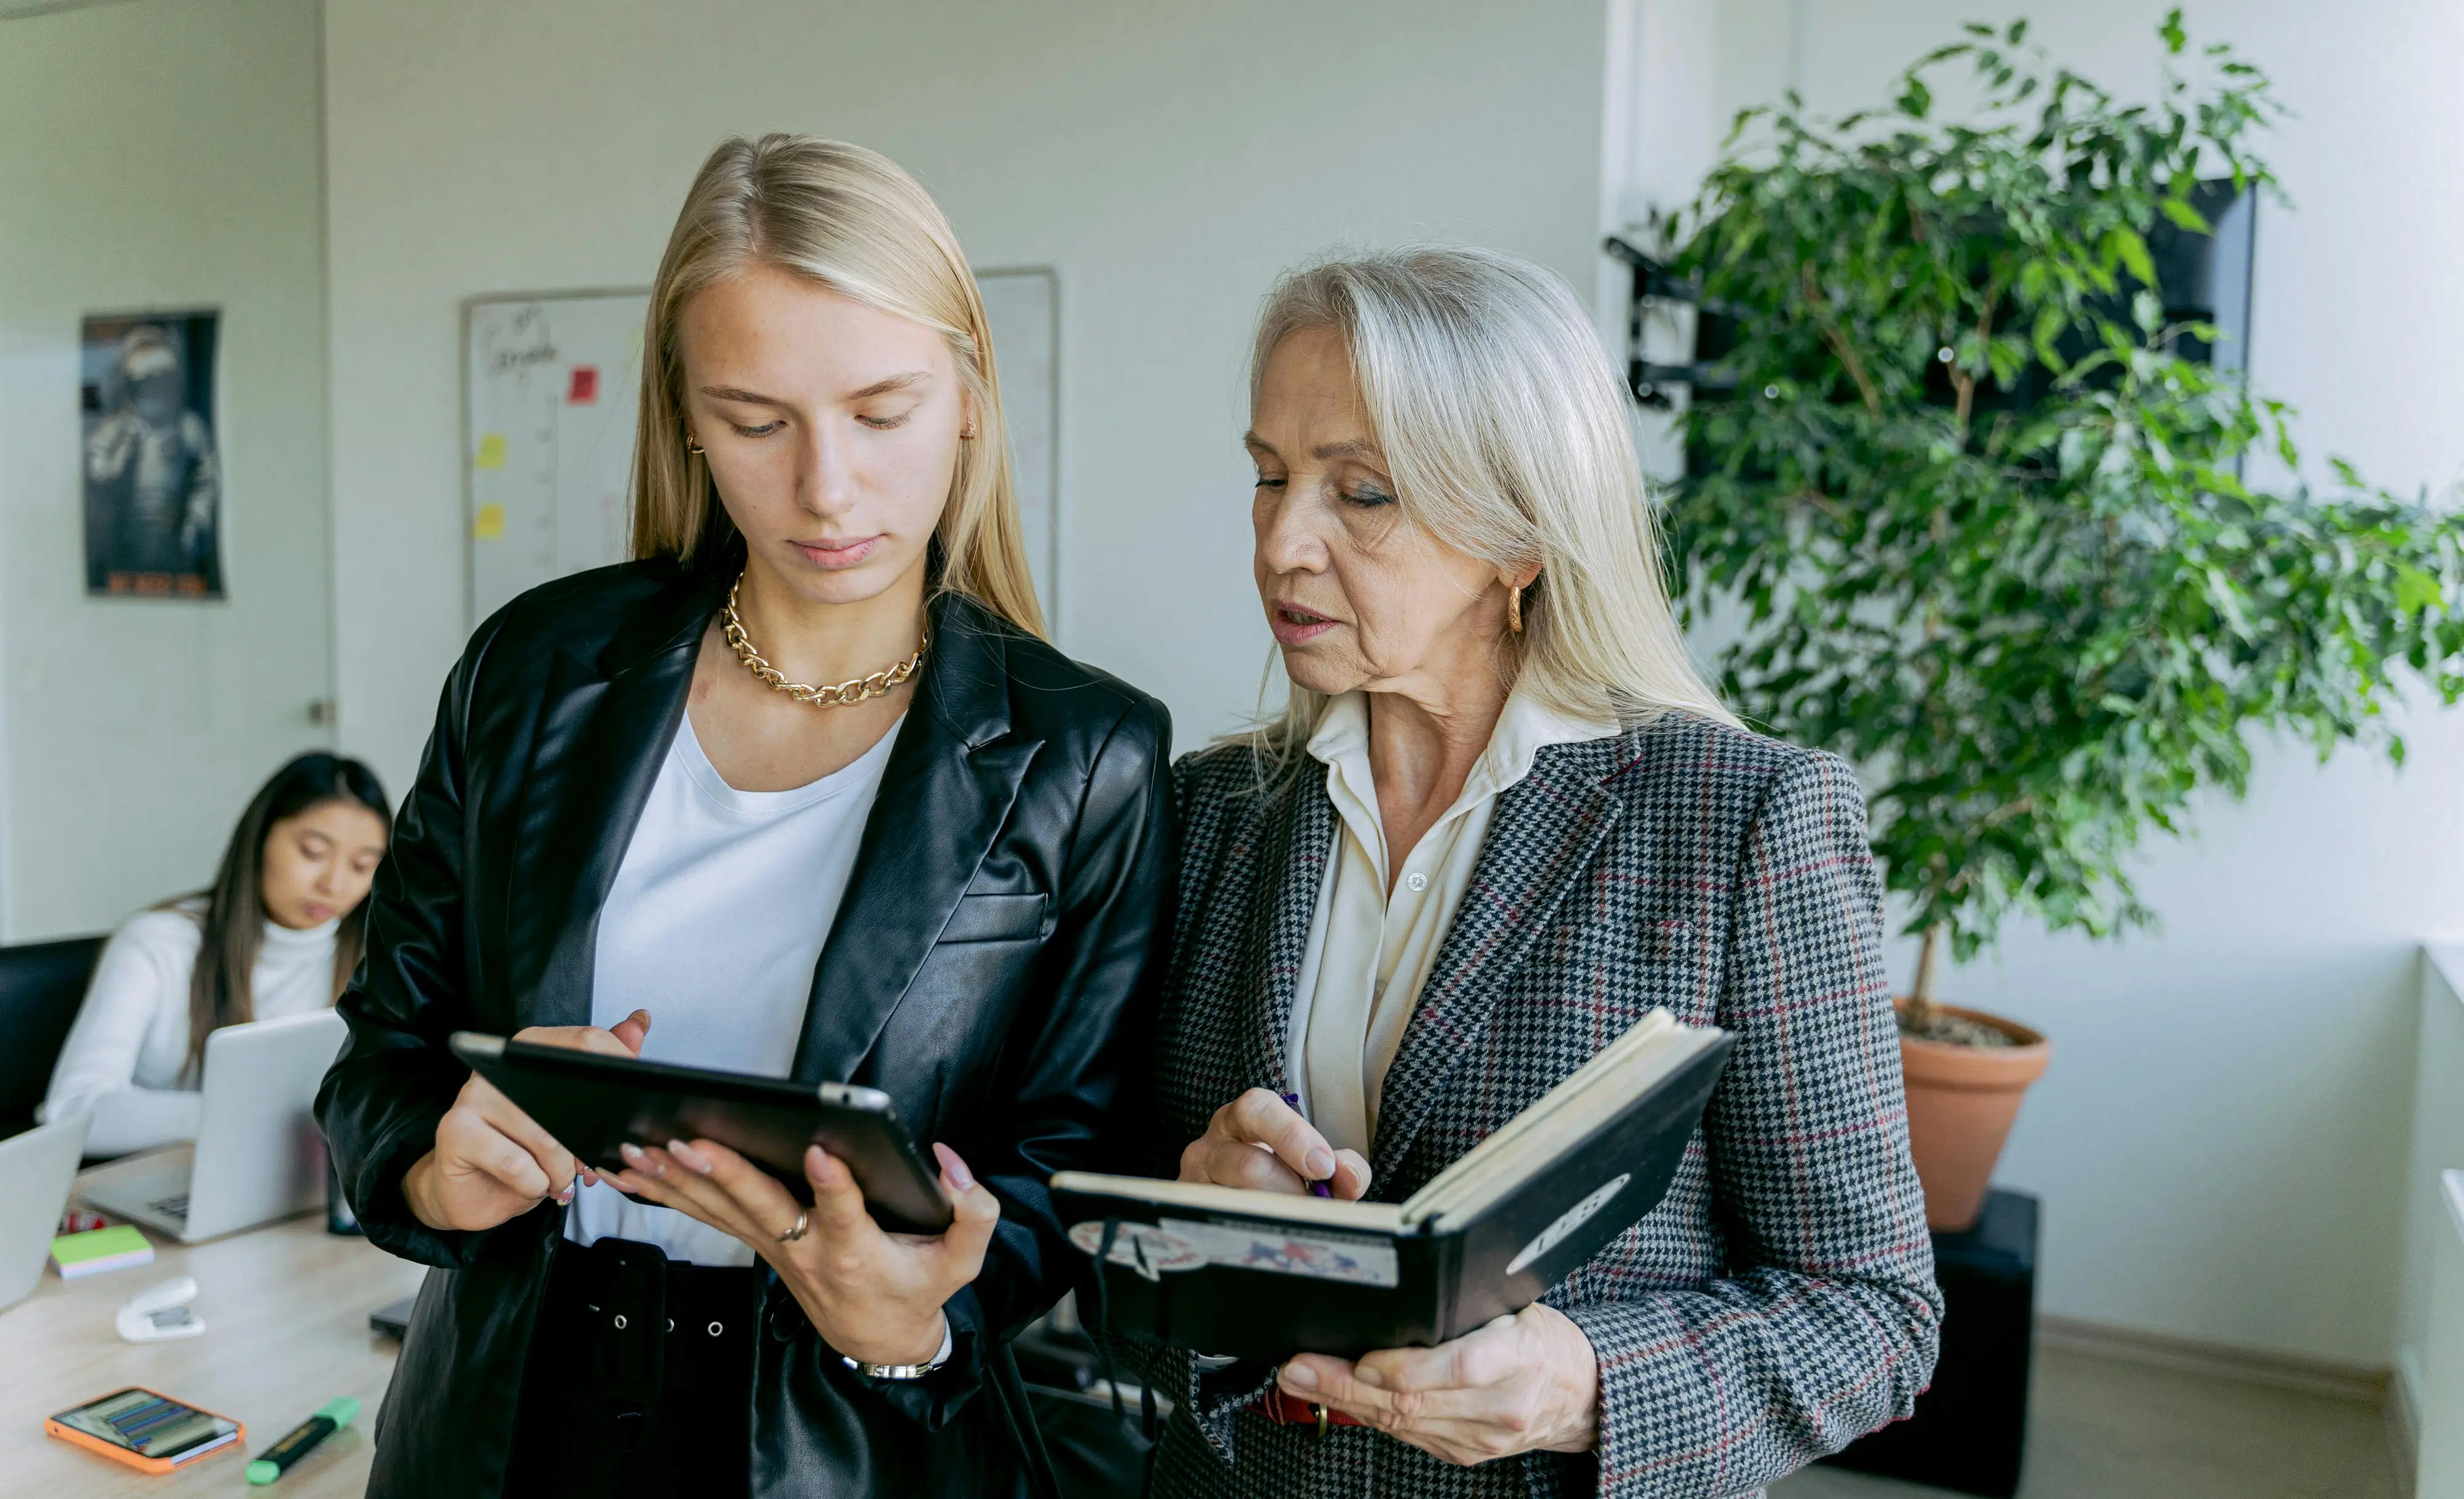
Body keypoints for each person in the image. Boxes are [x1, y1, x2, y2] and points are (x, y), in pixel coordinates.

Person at [316, 135, 1172, 1499]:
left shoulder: (1086, 753)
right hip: (500, 1423)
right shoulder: (532, 670)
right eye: (757, 420)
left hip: (841, 1442)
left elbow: (1074, 1166)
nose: (825, 488)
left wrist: (914, 1309)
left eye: (880, 411)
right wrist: (428, 1167)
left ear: (966, 394)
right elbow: (381, 1050)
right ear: (689, 417)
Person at [1140, 247, 1942, 1497]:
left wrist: (1587, 1383)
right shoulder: (1208, 811)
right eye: (1267, 475)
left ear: (1518, 535)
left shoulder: (1742, 821)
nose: (1280, 540)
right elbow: (1113, 1231)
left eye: (1359, 492)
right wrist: (1194, 1208)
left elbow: (1871, 1312)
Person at [41, 753, 389, 1158]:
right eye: (312, 852)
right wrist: (245, 1119)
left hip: (294, 1179)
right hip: (155, 1177)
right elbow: (73, 1109)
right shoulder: (157, 943)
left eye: (363, 865)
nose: (334, 883)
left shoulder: (372, 955)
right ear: (260, 839)